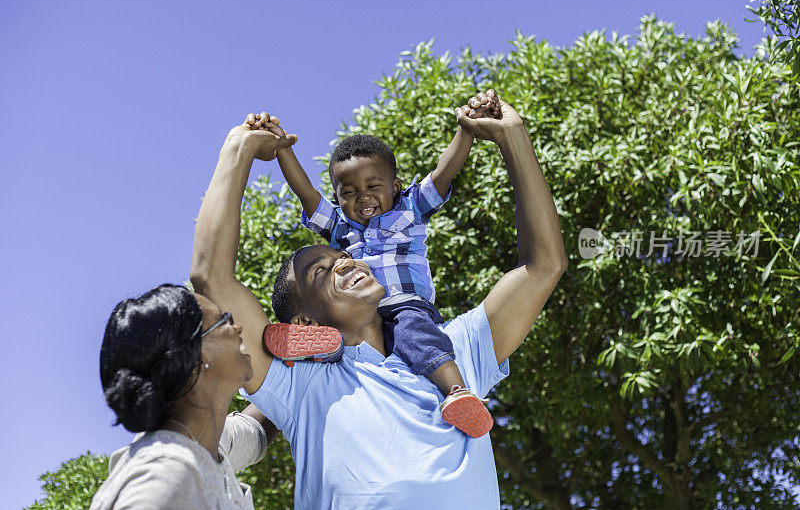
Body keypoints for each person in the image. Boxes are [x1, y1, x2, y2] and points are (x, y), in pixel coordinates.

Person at [190, 96, 568, 509]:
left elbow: (545, 265)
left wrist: (512, 135)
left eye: (344, 256)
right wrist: (240, 145)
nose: (346, 262)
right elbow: (211, 277)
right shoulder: (301, 384)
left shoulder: (456, 351)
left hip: (433, 350)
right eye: (321, 272)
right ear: (305, 325)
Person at [261, 92, 502, 437]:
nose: (363, 197)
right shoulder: (339, 228)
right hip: (364, 313)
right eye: (349, 192)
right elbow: (307, 194)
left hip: (407, 307)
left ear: (395, 187)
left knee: (416, 338)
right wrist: (283, 148)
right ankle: (314, 343)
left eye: (373, 185)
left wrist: (465, 130)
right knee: (350, 351)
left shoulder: (410, 208)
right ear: (339, 198)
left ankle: (457, 392)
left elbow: (444, 172)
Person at [90, 284, 281, 510]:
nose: (237, 327)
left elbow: (256, 430)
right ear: (194, 358)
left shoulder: (206, 443)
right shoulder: (164, 473)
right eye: (224, 321)